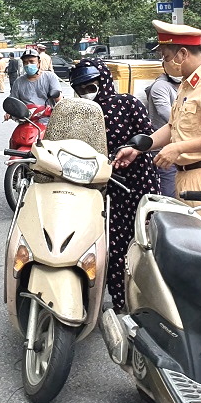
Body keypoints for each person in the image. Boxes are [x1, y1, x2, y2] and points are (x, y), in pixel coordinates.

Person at [114, 21, 201, 237]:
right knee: (192, 246)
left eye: (165, 56)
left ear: (182, 54)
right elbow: (173, 127)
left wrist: (178, 148)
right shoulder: (186, 84)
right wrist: (139, 148)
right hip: (185, 178)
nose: (164, 62)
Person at [69, 59, 160, 311]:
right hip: (96, 187)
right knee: (106, 247)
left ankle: (146, 303)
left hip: (135, 184)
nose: (86, 91)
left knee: (141, 244)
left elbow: (147, 138)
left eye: (91, 85)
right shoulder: (78, 112)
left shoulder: (127, 103)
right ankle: (114, 301)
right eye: (81, 87)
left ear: (104, 81)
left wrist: (131, 150)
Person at [143, 63, 181, 197]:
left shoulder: (185, 86)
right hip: (163, 148)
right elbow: (165, 112)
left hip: (179, 146)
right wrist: (190, 124)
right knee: (169, 192)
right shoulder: (160, 86)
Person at [8, 47, 61, 118]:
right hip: (27, 120)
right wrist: (9, 112)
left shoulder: (50, 76)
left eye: (31, 61)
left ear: (39, 63)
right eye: (25, 62)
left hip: (48, 119)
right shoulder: (18, 82)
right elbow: (13, 101)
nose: (28, 65)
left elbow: (59, 99)